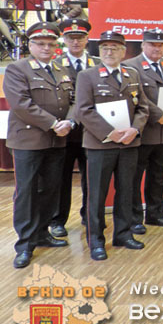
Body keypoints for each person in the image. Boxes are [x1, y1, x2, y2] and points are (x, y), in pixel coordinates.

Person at [4, 22, 74, 268]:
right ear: (30, 45)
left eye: (51, 44)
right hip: (29, 141)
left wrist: (70, 122)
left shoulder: (60, 69)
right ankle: (25, 244)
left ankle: (43, 233)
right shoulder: (17, 69)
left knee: (51, 189)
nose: (47, 48)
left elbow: (73, 99)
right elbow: (21, 104)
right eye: (41, 43)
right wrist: (54, 123)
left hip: (57, 140)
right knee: (27, 193)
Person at [75, 31, 148, 261]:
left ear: (123, 51)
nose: (109, 52)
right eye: (105, 47)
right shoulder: (87, 76)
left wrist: (134, 130)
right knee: (96, 195)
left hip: (128, 144)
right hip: (100, 145)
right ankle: (96, 240)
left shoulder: (131, 74)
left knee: (126, 190)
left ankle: (123, 234)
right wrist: (110, 133)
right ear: (99, 51)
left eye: (115, 48)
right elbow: (83, 110)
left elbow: (143, 108)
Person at [123, 29, 163, 232]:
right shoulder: (131, 66)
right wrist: (158, 113)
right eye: (152, 45)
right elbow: (137, 97)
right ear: (143, 45)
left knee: (158, 176)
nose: (157, 48)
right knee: (135, 178)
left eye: (160, 45)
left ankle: (155, 214)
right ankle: (134, 219)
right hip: (144, 132)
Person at [50, 18, 96, 237]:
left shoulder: (97, 63)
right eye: (71, 38)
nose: (76, 42)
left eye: (80, 38)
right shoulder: (55, 64)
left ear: (87, 39)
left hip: (93, 131)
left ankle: (90, 215)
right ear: (64, 40)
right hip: (65, 132)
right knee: (62, 178)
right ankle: (58, 219)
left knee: (92, 178)